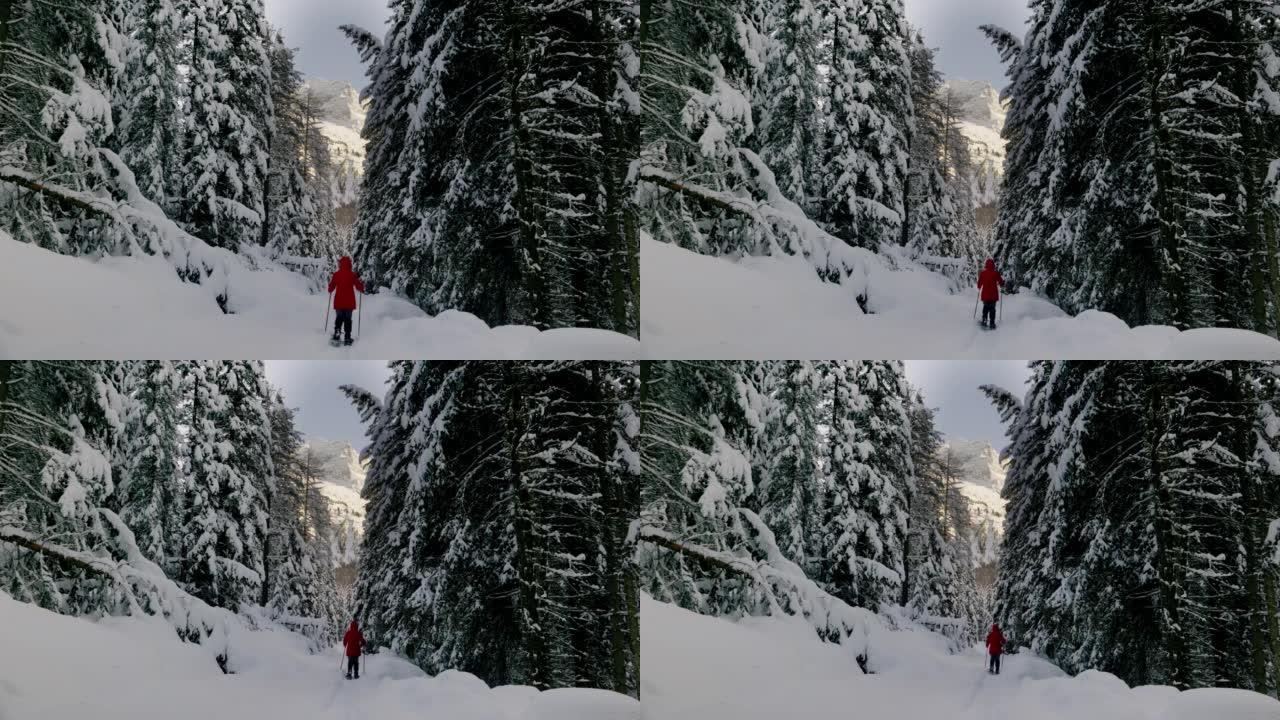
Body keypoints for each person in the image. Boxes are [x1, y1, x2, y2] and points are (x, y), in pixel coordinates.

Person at [328, 256, 366, 345]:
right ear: (349, 264)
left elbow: (331, 286)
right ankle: (347, 337)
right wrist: (361, 287)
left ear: (340, 264)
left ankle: (337, 334)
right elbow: (358, 285)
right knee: (348, 319)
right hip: (349, 302)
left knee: (339, 318)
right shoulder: (352, 274)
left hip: (339, 301)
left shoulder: (336, 274)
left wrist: (330, 289)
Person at [977, 258, 1005, 330]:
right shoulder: (996, 273)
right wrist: (1002, 284)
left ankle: (984, 320)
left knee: (985, 307)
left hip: (985, 295)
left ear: (986, 265)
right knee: (992, 309)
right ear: (993, 265)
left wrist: (979, 286)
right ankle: (992, 323)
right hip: (993, 295)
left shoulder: (983, 273)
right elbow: (1001, 282)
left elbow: (979, 284)